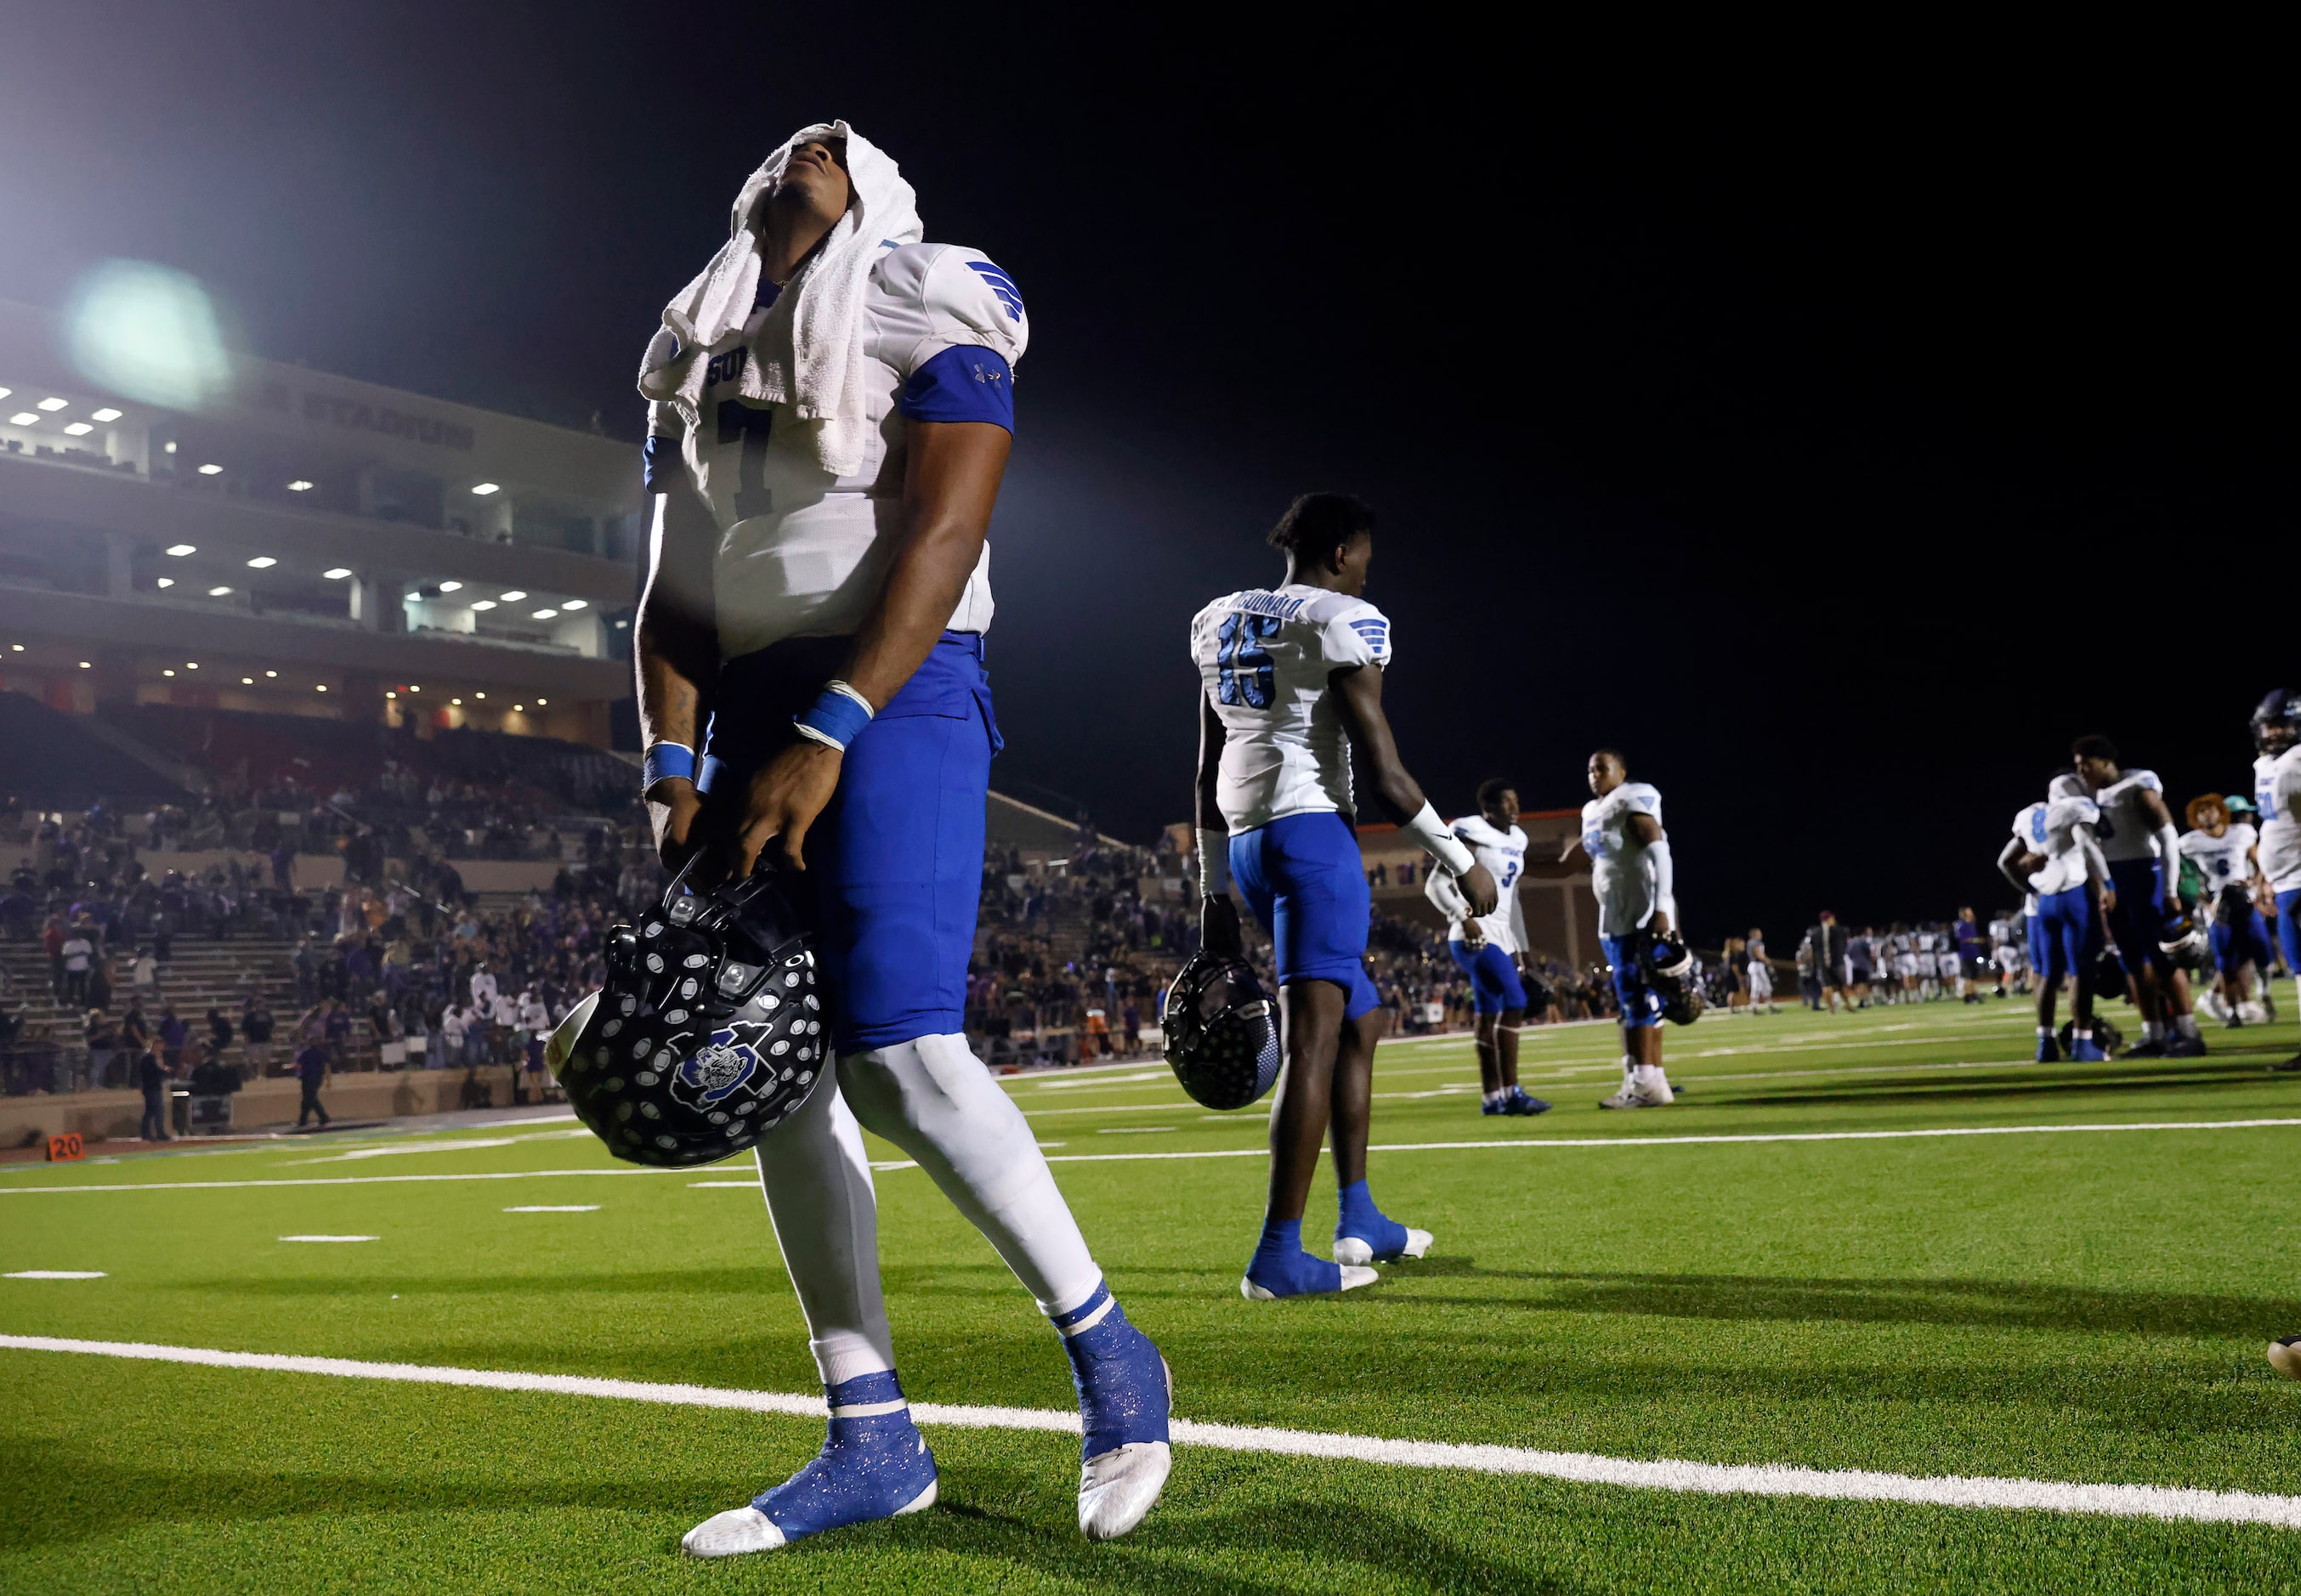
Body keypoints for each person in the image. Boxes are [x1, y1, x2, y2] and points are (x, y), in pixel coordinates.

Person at [635, 124, 1167, 1556]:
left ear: (873, 189)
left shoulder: (925, 287)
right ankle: (870, 1431)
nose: (797, 147)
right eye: (779, 141)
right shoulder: (695, 333)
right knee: (775, 1069)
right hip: (743, 696)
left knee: (902, 1053)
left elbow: (943, 526)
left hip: (894, 682)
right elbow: (671, 582)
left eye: (830, 143)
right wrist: (668, 766)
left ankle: (1116, 1358)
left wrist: (830, 730)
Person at [1193, 491, 1497, 1299]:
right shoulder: (1339, 618)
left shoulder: (1218, 616)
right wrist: (1459, 857)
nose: (1365, 576)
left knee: (1362, 1017)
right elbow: (1387, 772)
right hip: (1313, 841)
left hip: (1250, 843)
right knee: (1313, 1046)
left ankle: (1359, 1216)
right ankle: (1277, 1256)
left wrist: (1211, 890)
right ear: (1339, 553)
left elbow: (1205, 762)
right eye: (1362, 559)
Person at [1424, 780, 1550, 1115]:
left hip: (1500, 935)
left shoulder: (1518, 839)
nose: (1514, 807)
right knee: (1516, 1000)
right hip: (1473, 936)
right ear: (1488, 808)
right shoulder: (1471, 831)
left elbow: (1513, 899)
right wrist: (1463, 918)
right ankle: (1511, 1093)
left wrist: (1521, 947)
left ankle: (1492, 1097)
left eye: (1516, 800)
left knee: (1489, 1012)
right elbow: (1434, 884)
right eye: (1507, 801)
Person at [2073, 735, 2203, 1056]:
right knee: (2132, 960)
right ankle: (2154, 1034)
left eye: (2085, 765)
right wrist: (2103, 885)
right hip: (2116, 880)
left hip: (2147, 875)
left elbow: (2168, 838)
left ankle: (2189, 1033)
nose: (2082, 772)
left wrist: (2170, 889)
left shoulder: (2138, 787)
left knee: (2162, 958)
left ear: (2105, 761)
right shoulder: (2091, 794)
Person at [1568, 750, 1680, 1108]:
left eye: (1602, 768)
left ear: (1622, 771)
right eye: (1589, 769)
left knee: (1641, 996)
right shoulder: (1592, 812)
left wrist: (1662, 907)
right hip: (1615, 915)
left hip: (1641, 913)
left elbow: (1660, 850)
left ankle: (1646, 1081)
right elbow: (1574, 861)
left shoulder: (1630, 798)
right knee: (1635, 997)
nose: (1594, 774)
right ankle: (1651, 1080)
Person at [2000, 773, 2110, 1062]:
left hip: (2043, 900)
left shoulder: (2032, 815)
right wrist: (2107, 885)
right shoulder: (2074, 809)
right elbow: (2086, 845)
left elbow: (2005, 862)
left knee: (2047, 974)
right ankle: (2083, 1044)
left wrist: (2030, 889)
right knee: (2080, 972)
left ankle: (2045, 1043)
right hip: (2072, 896)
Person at [2178, 794, 2275, 1026]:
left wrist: (2257, 884)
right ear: (2195, 817)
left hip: (2245, 900)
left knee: (2262, 950)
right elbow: (2184, 878)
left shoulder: (2241, 834)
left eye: (2211, 809)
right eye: (2202, 811)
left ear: (2221, 812)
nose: (2207, 815)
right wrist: (2204, 902)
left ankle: (2264, 990)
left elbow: (2260, 862)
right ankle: (2232, 1012)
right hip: (2217, 905)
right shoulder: (2188, 842)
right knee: (2226, 961)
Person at [2249, 690, 2301, 1072]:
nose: (2272, 733)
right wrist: (2265, 876)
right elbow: (2274, 827)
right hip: (2284, 880)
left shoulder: (2297, 763)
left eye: (2281, 724)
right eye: (2268, 725)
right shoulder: (2266, 765)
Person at [1804, 912, 1850, 1013]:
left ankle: (1831, 1009)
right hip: (1837, 962)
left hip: (1822, 963)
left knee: (1826, 986)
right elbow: (1844, 944)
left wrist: (1813, 964)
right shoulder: (1838, 930)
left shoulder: (1815, 933)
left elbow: (1811, 951)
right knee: (1842, 985)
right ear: (1830, 918)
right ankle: (1848, 1005)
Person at [133, 1043, 168, 1141]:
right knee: (152, 1111)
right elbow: (152, 1072)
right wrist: (162, 1068)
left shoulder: (154, 1058)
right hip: (150, 1088)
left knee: (157, 1111)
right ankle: (148, 1133)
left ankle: (158, 1133)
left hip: (156, 1087)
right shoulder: (148, 1059)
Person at [292, 1038, 331, 1128]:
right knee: (308, 1099)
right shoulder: (322, 1053)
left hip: (307, 1078)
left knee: (310, 1099)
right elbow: (327, 1065)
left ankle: (323, 1117)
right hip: (317, 1078)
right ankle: (303, 1120)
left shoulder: (305, 1053)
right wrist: (328, 1080)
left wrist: (298, 1073)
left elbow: (298, 1065)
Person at [1744, 927, 1777, 1015]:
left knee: (1764, 986)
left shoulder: (1753, 942)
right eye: (1759, 933)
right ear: (1755, 934)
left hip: (1757, 965)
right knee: (1758, 986)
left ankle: (1768, 1006)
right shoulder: (1754, 942)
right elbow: (1758, 953)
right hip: (1757, 965)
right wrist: (1767, 960)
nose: (1761, 934)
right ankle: (1754, 1006)